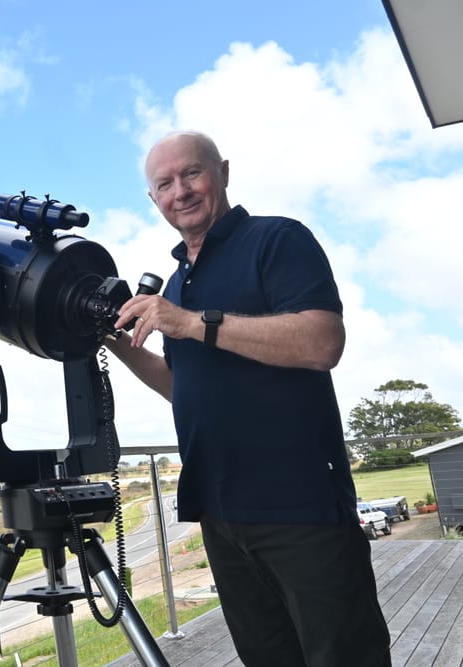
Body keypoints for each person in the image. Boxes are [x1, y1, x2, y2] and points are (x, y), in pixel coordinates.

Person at [106, 131, 391, 666]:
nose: (180, 192)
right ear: (153, 200)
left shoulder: (277, 240)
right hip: (219, 512)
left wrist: (191, 322)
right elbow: (182, 385)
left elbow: (322, 341)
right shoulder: (175, 282)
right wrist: (118, 346)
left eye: (192, 173)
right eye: (164, 184)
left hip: (299, 506)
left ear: (224, 172)